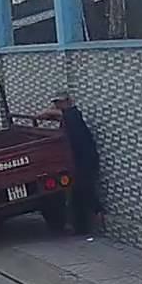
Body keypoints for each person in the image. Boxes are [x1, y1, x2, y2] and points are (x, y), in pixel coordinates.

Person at [40, 94, 102, 235]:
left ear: (67, 102)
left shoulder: (73, 114)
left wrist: (49, 111)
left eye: (59, 102)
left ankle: (98, 213)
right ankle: (81, 226)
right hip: (77, 159)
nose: (57, 105)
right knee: (77, 193)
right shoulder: (67, 117)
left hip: (85, 159)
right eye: (56, 103)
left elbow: (59, 115)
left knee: (85, 189)